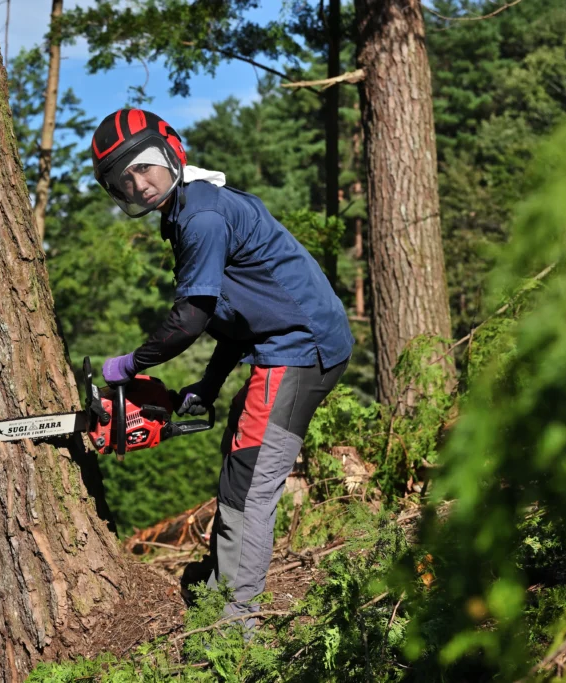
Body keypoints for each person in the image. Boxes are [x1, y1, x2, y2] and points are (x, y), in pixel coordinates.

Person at [91, 108, 354, 634]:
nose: (139, 184)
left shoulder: (201, 217)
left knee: (250, 479)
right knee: (240, 454)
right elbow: (236, 316)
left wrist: (130, 365)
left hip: (301, 348)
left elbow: (192, 317)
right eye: (126, 179)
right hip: (283, 341)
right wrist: (207, 387)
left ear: (170, 154)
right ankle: (226, 587)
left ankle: (237, 625)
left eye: (144, 168)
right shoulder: (192, 208)